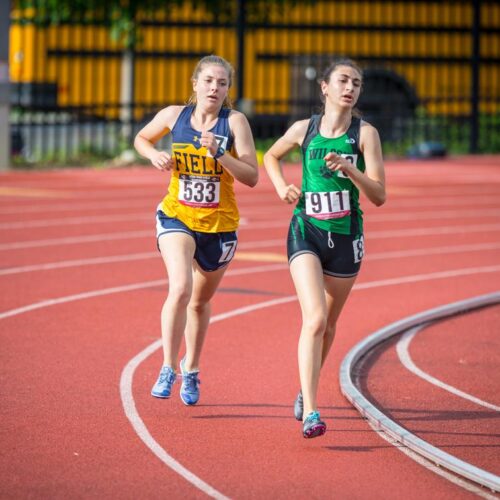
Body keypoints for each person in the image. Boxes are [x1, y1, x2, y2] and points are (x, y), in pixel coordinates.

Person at [263, 58, 386, 438]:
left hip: (347, 237)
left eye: (357, 83)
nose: (351, 88)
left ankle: (306, 386)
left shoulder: (365, 134)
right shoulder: (305, 129)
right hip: (307, 230)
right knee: (314, 318)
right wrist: (281, 186)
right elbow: (270, 156)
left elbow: (379, 195)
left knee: (330, 324)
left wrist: (350, 169)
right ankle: (313, 410)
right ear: (325, 88)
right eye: (344, 81)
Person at [134, 55, 258, 405]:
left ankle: (192, 368)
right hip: (177, 215)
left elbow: (251, 176)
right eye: (208, 81)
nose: (214, 88)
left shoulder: (235, 122)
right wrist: (153, 155)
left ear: (228, 90)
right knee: (180, 288)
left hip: (219, 226)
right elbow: (142, 138)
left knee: (200, 301)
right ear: (195, 84)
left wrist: (221, 154)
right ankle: (168, 367)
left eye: (221, 83)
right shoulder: (175, 115)